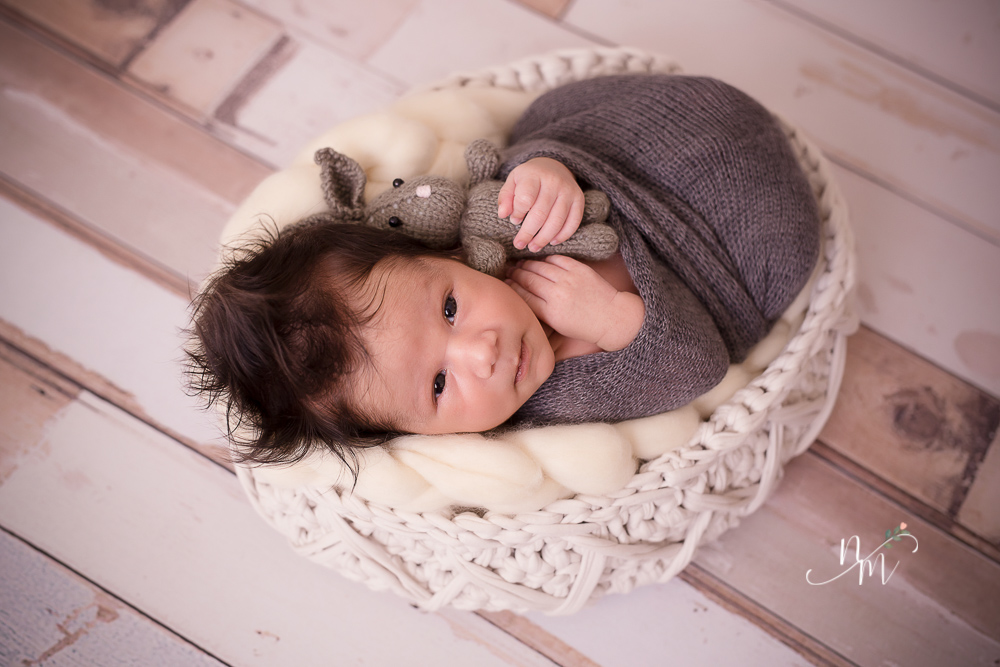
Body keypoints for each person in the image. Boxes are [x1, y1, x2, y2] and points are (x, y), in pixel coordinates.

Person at [187, 73, 819, 472]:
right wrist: (614, 320)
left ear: (437, 258)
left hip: (675, 123)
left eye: (450, 309)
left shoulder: (482, 237)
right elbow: (697, 366)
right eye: (438, 386)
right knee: (775, 270)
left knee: (539, 130)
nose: (481, 352)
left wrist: (549, 174)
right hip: (747, 240)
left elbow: (511, 175)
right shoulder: (549, 395)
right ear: (412, 434)